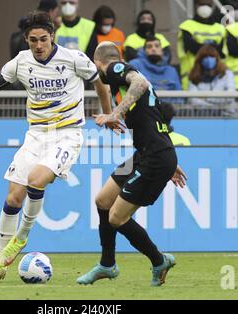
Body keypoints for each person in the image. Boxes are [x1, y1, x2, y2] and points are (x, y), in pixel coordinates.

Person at [0, 12, 115, 284]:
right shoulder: (20, 63)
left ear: (52, 38)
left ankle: (21, 238)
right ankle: (0, 265)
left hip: (67, 135)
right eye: (33, 40)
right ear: (26, 40)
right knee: (14, 197)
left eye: (44, 39)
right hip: (35, 135)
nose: (39, 45)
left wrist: (107, 114)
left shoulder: (74, 59)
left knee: (37, 179)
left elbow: (99, 83)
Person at [77, 41, 187, 287]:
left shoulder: (116, 68)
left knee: (116, 217)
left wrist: (114, 114)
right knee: (103, 200)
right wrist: (171, 163)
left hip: (156, 157)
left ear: (98, 63)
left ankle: (159, 260)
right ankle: (107, 264)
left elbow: (141, 83)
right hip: (151, 153)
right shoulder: (119, 84)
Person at [177, 0, 226, 90]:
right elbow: (191, 47)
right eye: (202, 4)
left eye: (208, 5)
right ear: (196, 5)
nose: (205, 7)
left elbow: (221, 52)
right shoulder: (187, 26)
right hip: (192, 77)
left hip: (216, 79)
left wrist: (200, 46)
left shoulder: (220, 29)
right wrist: (213, 46)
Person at [188, 45, 237, 117]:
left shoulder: (226, 74)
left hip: (227, 115)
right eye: (205, 57)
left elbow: (230, 96)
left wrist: (206, 99)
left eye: (211, 56)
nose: (209, 59)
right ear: (200, 60)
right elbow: (193, 100)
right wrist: (215, 104)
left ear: (216, 59)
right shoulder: (194, 77)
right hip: (203, 116)